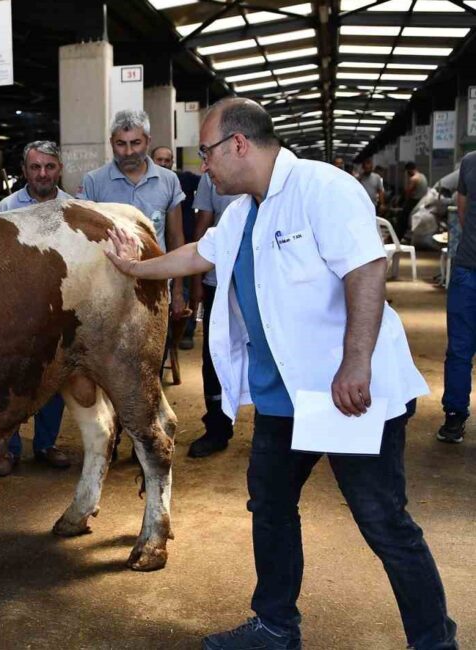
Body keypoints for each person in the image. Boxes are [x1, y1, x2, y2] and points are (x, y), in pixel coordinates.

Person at [103, 97, 457, 650]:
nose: (206, 166)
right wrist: (134, 267)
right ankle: (274, 626)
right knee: (269, 506)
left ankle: (434, 640)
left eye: (209, 152)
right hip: (282, 400)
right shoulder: (245, 210)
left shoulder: (322, 188)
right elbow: (201, 253)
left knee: (383, 521)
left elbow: (366, 270)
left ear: (238, 144)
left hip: (344, 393)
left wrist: (355, 362)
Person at [0, 140, 72, 477]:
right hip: (15, 311)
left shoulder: (74, 209)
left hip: (59, 309)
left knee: (53, 379)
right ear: (23, 170)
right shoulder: (3, 209)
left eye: (49, 166)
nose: (42, 173)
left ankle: (46, 444)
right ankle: (9, 448)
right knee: (14, 380)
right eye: (35, 167)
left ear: (59, 169)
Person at [78, 109, 188, 320]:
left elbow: (176, 237)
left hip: (157, 283)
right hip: (108, 287)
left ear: (148, 141)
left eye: (135, 143)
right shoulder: (93, 182)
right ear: (111, 142)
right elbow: (84, 242)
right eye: (121, 144)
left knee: (155, 348)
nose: (128, 152)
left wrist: (178, 290)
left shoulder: (168, 180)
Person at [186, 171, 243, 458]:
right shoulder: (211, 177)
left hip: (262, 285)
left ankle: (275, 430)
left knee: (267, 352)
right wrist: (196, 281)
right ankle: (217, 428)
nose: (206, 160)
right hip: (217, 282)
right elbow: (203, 227)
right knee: (215, 354)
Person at [438, 150, 476, 444]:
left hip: (468, 268)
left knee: (460, 350)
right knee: (459, 349)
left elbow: (462, 211)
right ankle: (454, 415)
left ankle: (454, 418)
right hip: (468, 269)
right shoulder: (470, 162)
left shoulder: (471, 162)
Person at [152, 144, 201, 349]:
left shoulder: (185, 179)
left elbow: (207, 183)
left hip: (184, 244)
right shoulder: (149, 184)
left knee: (184, 289)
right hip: (155, 250)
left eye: (167, 160)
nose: (164, 163)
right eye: (159, 160)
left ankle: (185, 332)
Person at [403, 161, 429, 232]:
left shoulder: (414, 179)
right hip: (423, 201)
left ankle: (397, 235)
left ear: (408, 170)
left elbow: (408, 192)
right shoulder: (422, 176)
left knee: (403, 217)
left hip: (415, 201)